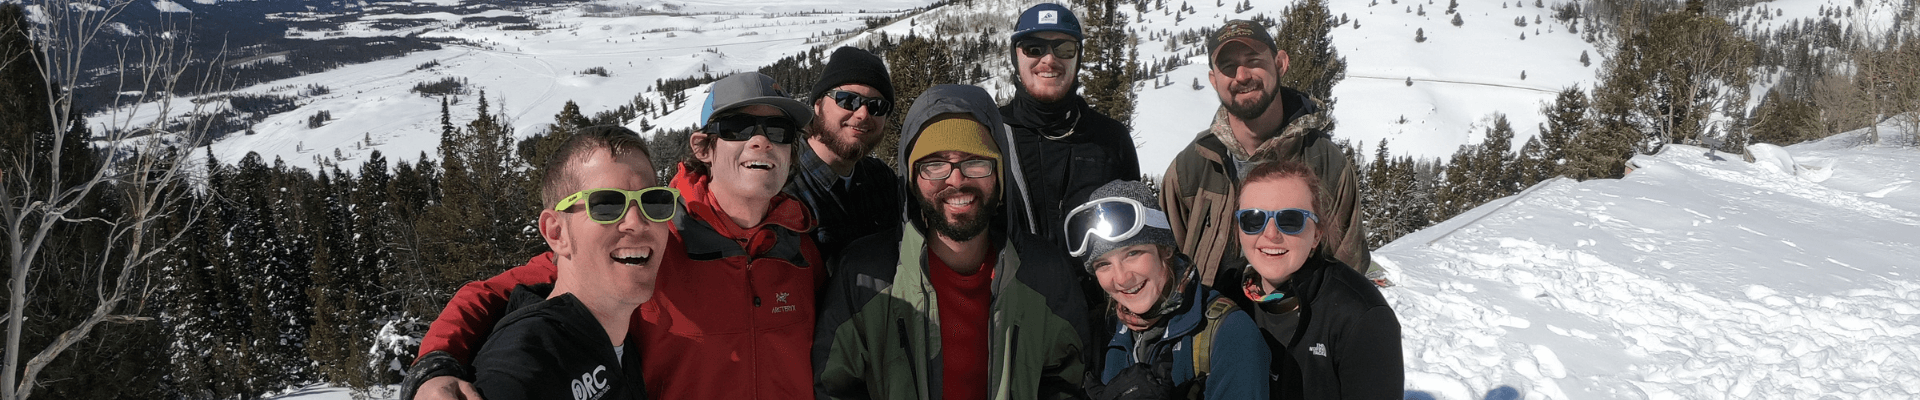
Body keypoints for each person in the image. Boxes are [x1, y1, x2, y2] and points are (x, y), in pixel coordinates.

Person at [403, 72, 826, 400]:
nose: (760, 142)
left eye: (778, 132)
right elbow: (491, 295)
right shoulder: (652, 237)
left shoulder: (803, 248)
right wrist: (435, 368)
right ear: (704, 148)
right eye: (738, 127)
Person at [813, 84, 1089, 400]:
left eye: (976, 161)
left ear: (999, 175)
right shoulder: (865, 274)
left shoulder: (1044, 272)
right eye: (935, 165)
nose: (956, 180)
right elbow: (833, 387)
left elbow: (1069, 380)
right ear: (913, 179)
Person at [1159, 19, 1374, 291]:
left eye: (1253, 60)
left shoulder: (1325, 164)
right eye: (1228, 67)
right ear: (1214, 80)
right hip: (1209, 330)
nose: (1242, 75)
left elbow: (1348, 274)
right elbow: (1163, 264)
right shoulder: (1193, 165)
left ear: (1280, 63)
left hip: (1296, 328)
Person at [468, 126, 676, 400]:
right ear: (556, 232)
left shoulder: (619, 343)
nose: (637, 223)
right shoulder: (520, 369)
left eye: (653, 201)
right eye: (606, 205)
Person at [1067, 180, 1270, 400]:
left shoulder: (1229, 333)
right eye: (1103, 264)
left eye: (1133, 253)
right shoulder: (1100, 333)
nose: (1122, 278)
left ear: (1165, 250)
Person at [1219, 158, 1402, 399]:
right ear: (1239, 229)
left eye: (1290, 220)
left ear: (1316, 234)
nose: (1271, 234)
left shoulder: (1361, 317)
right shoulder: (1226, 295)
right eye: (1253, 219)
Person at [1001, 3, 1141, 248]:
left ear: (1078, 58)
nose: (1049, 59)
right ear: (1016, 56)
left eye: (1064, 48)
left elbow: (1134, 233)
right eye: (1034, 48)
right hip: (1009, 285)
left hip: (1091, 285)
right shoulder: (991, 132)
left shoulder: (1109, 138)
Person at [786, 46, 902, 263]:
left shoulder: (882, 181)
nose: (863, 114)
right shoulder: (784, 186)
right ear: (818, 105)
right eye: (848, 100)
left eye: (877, 106)